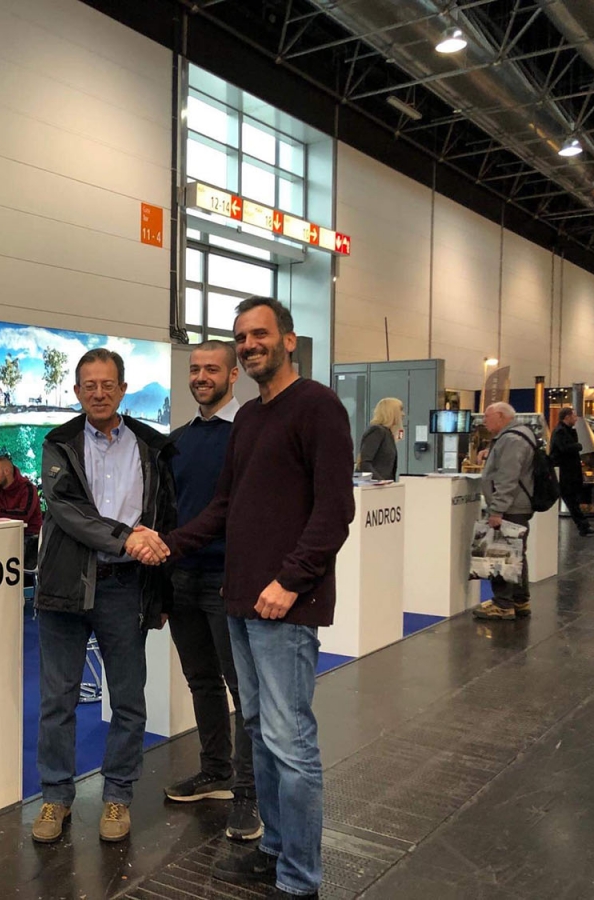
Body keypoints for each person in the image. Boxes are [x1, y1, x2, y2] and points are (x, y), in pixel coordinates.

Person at [131, 297, 355, 900]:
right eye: (242, 337)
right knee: (259, 730)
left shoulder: (318, 406)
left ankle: (300, 879)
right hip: (240, 602)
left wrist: (291, 582)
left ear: (288, 340)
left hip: (284, 607)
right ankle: (275, 851)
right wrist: (168, 544)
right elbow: (224, 507)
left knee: (290, 741)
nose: (250, 344)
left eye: (260, 334)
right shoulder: (251, 418)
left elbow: (335, 510)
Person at [30, 348, 175, 845]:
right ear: (76, 391)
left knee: (129, 699)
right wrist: (125, 537)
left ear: (123, 388)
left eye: (107, 384)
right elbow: (65, 509)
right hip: (65, 587)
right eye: (89, 385)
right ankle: (56, 796)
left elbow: (165, 516)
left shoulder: (151, 447)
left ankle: (118, 794)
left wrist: (161, 591)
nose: (98, 393)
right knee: (57, 700)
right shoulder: (58, 443)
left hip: (126, 588)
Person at [163, 340, 260, 843]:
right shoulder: (178, 441)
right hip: (182, 578)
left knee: (243, 690)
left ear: (233, 375)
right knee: (201, 680)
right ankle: (216, 771)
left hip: (227, 579)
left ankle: (248, 792)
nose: (201, 376)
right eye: (195, 369)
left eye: (212, 369)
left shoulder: (248, 433)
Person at [474, 402, 536, 620]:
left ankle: (503, 604)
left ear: (501, 416)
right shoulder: (520, 434)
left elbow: (507, 477)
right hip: (517, 505)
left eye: (487, 417)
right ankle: (520, 600)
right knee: (516, 553)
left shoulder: (511, 439)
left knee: (501, 554)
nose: (484, 421)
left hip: (510, 507)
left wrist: (497, 509)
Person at [0, 454, 42, 567]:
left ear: (6, 471)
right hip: (0, 536)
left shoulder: (28, 488)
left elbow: (23, 515)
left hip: (27, 538)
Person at [550, 407, 593, 537]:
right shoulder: (560, 432)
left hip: (569, 472)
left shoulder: (567, 431)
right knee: (570, 500)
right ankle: (583, 526)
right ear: (567, 417)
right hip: (565, 473)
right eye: (574, 416)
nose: (575, 419)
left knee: (572, 500)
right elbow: (564, 448)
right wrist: (578, 446)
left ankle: (583, 526)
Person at [359, 397, 403, 481]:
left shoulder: (388, 433)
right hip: (375, 485)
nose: (403, 414)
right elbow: (365, 462)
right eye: (400, 410)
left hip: (385, 484)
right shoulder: (377, 431)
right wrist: (381, 481)